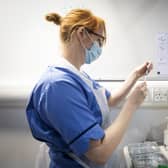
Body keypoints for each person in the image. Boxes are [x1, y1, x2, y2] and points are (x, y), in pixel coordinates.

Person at [26, 9, 153, 168]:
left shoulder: (78, 76)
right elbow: (99, 153)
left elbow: (109, 100)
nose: (100, 48)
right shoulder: (59, 86)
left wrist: (135, 74)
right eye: (99, 41)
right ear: (81, 34)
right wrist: (132, 104)